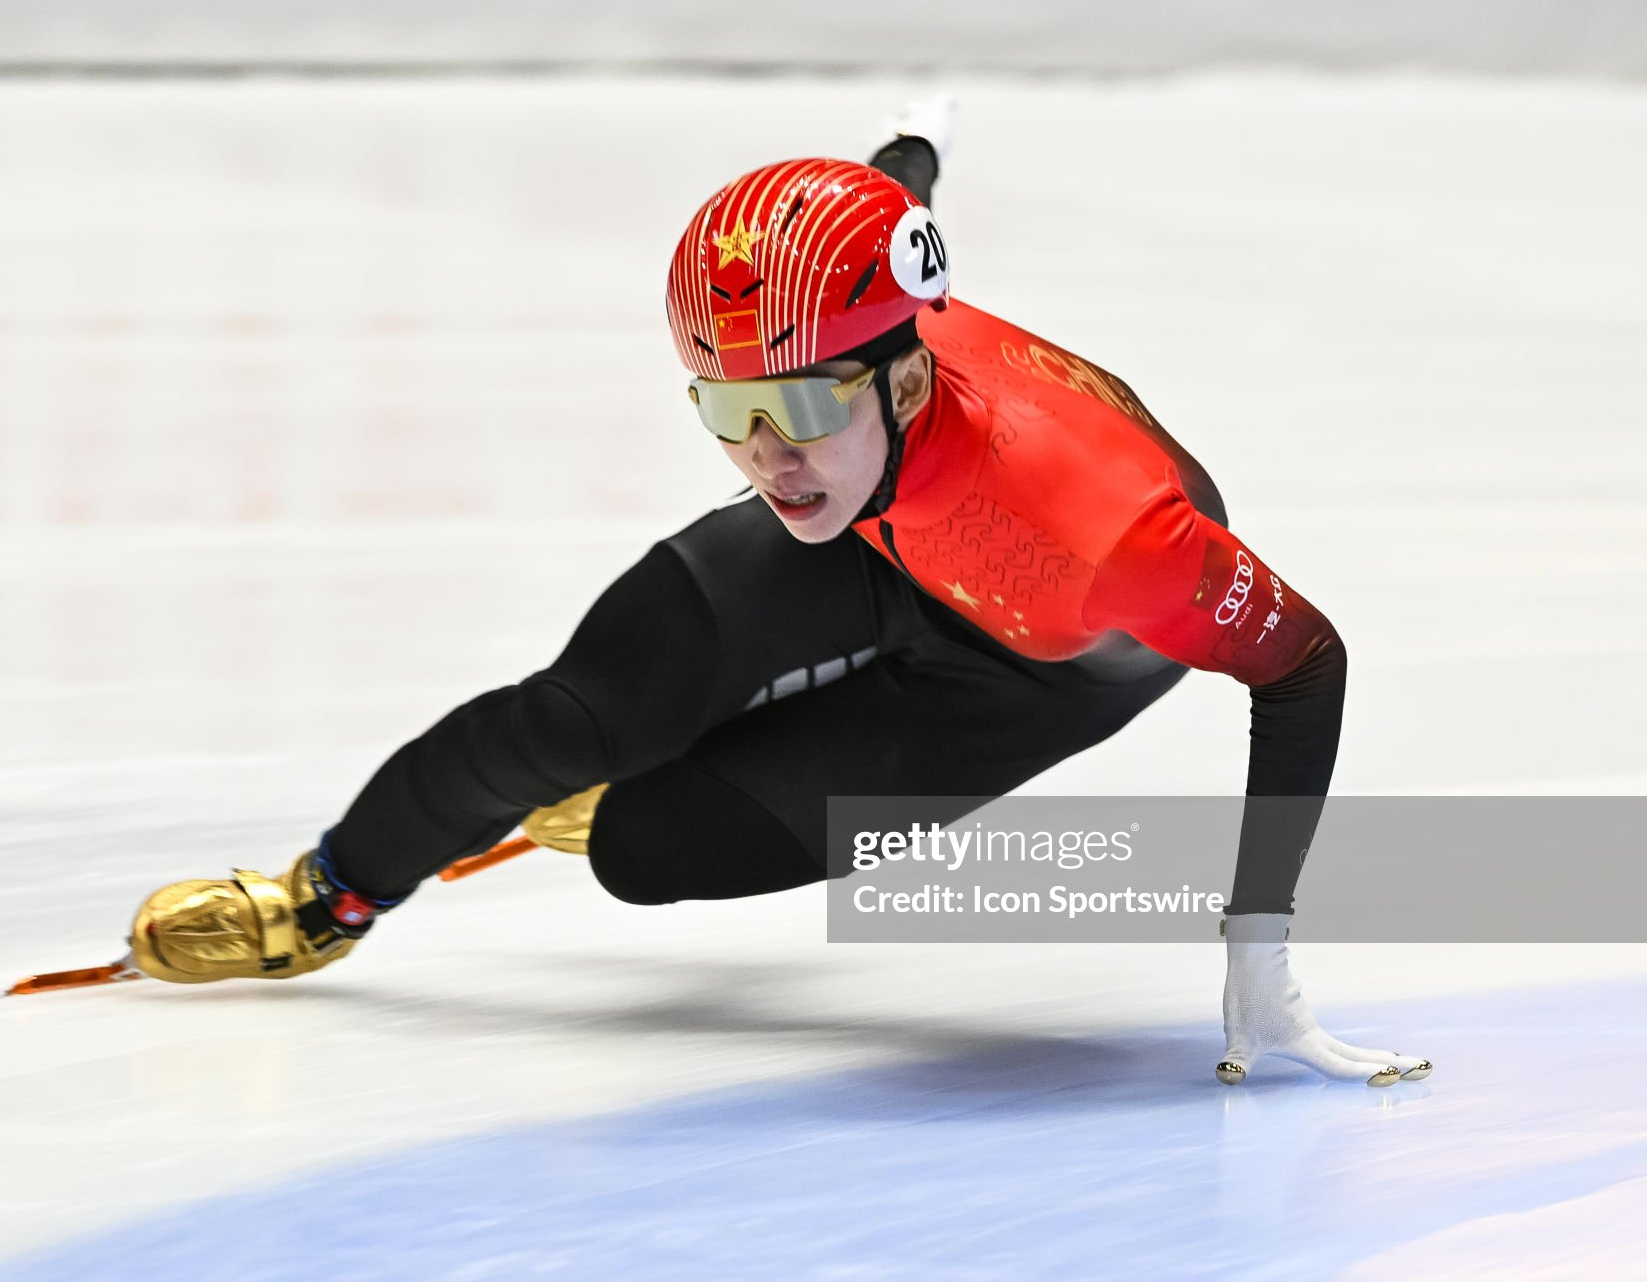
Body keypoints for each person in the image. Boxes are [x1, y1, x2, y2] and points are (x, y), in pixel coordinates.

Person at [126, 100, 1429, 1087]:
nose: (765, 454)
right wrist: (913, 146)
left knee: (645, 848)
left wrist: (1259, 944)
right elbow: (884, 195)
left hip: (1038, 659)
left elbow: (1308, 662)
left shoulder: (1113, 532)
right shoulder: (839, 420)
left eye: (798, 406)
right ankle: (327, 897)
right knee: (583, 713)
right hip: (883, 540)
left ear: (906, 374)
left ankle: (625, 799)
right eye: (727, 408)